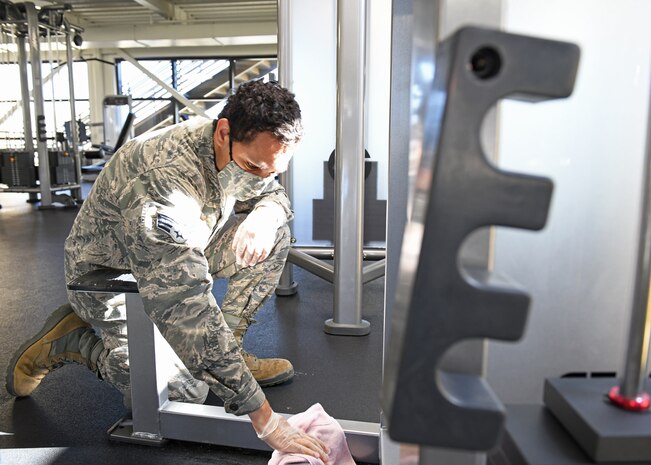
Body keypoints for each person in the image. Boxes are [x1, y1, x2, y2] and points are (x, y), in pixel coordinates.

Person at [6, 80, 329, 461]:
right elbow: (186, 306)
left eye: (270, 170)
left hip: (179, 255)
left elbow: (271, 190)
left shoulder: (241, 149)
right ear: (224, 131)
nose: (258, 179)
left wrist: (266, 213)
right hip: (111, 282)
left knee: (275, 236)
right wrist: (265, 420)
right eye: (252, 167)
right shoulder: (163, 183)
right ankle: (73, 342)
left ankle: (231, 354)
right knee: (183, 395)